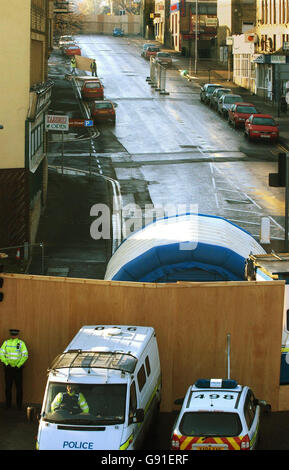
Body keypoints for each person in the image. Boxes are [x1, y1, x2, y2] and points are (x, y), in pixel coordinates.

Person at [0, 329, 28, 410]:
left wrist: (10, 364)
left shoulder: (18, 343)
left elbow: (25, 355)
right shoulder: (9, 343)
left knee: (14, 388)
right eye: (13, 334)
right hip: (13, 369)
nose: (13, 336)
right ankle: (12, 406)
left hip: (14, 369)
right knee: (12, 388)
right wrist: (8, 364)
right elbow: (1, 353)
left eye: (14, 335)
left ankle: (15, 406)